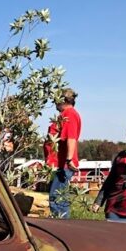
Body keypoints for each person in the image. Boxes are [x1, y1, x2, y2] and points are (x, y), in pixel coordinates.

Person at [48, 89, 82, 218]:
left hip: (63, 165)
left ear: (62, 100)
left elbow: (71, 137)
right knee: (57, 198)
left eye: (56, 100)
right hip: (59, 164)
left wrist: (69, 159)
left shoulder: (70, 114)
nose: (54, 103)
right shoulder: (65, 115)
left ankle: (60, 228)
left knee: (58, 200)